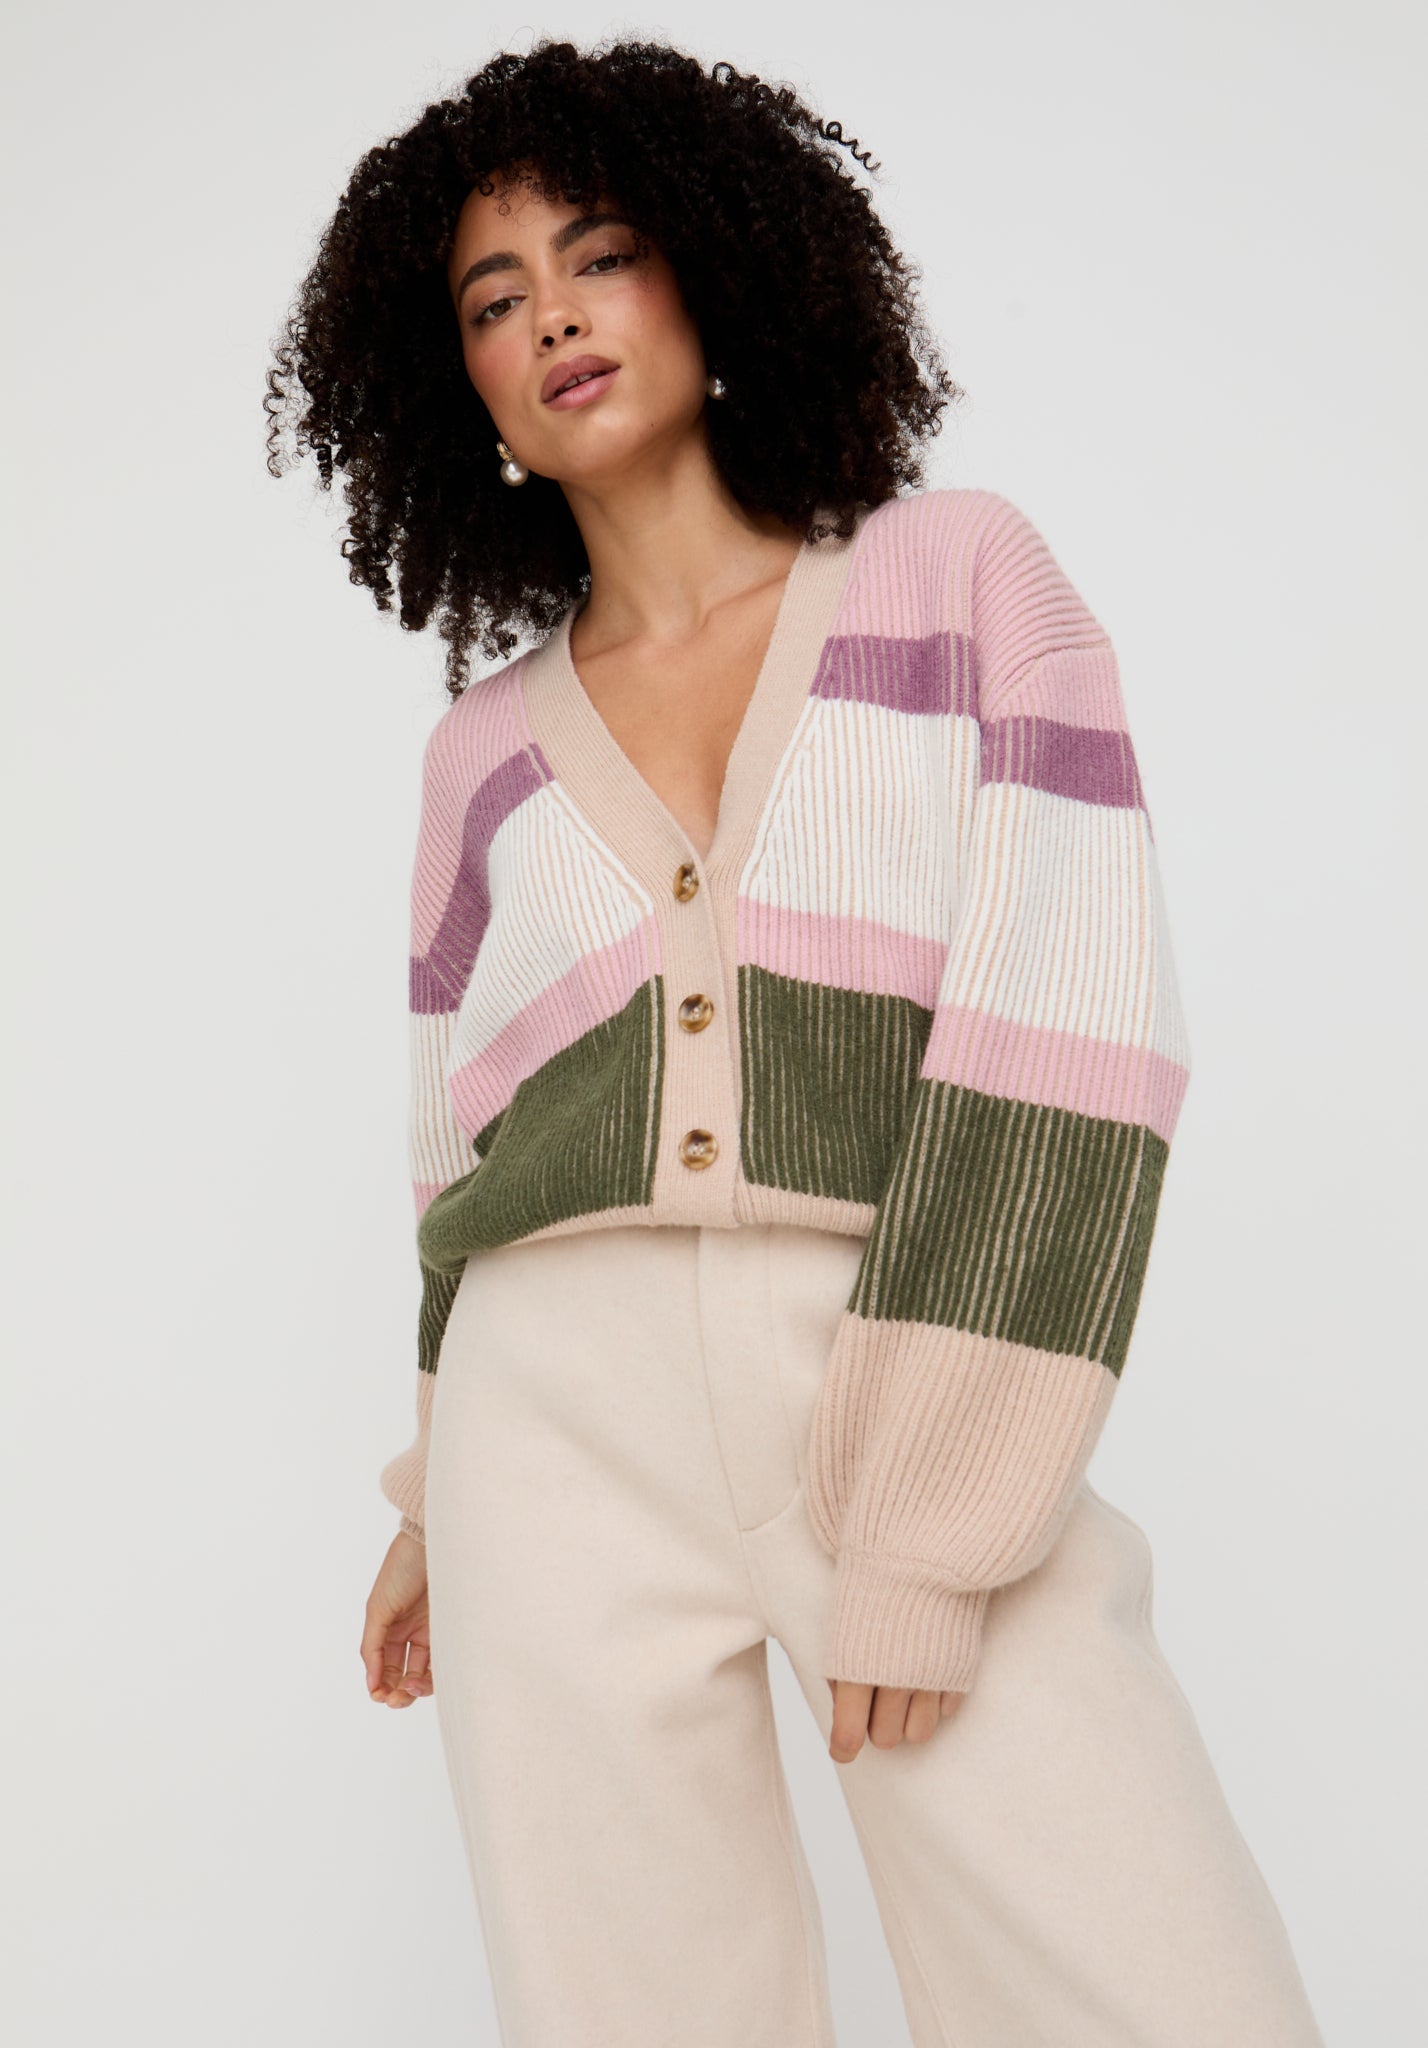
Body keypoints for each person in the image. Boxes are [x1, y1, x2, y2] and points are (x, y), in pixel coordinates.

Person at [266, 36, 1327, 2047]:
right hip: (543, 1427)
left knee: (1162, 1985)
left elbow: (1066, 1024)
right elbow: (457, 1149)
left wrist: (930, 1524)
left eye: (601, 254)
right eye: (495, 299)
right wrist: (432, 1499)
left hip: (884, 1365)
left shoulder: (960, 582)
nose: (554, 312)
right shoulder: (480, 758)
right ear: (462, 389)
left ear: (722, 275)